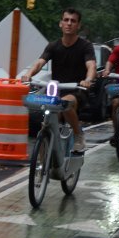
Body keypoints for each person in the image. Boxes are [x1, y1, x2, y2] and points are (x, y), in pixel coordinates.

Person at [20, 8, 96, 153]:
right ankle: (43, 163)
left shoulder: (85, 46)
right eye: (66, 20)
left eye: (73, 21)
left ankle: (78, 134)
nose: (69, 23)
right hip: (56, 90)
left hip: (77, 90)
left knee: (65, 102)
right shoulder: (53, 46)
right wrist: (28, 74)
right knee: (46, 122)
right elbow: (40, 62)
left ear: (78, 25)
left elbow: (91, 65)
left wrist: (88, 79)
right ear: (60, 23)